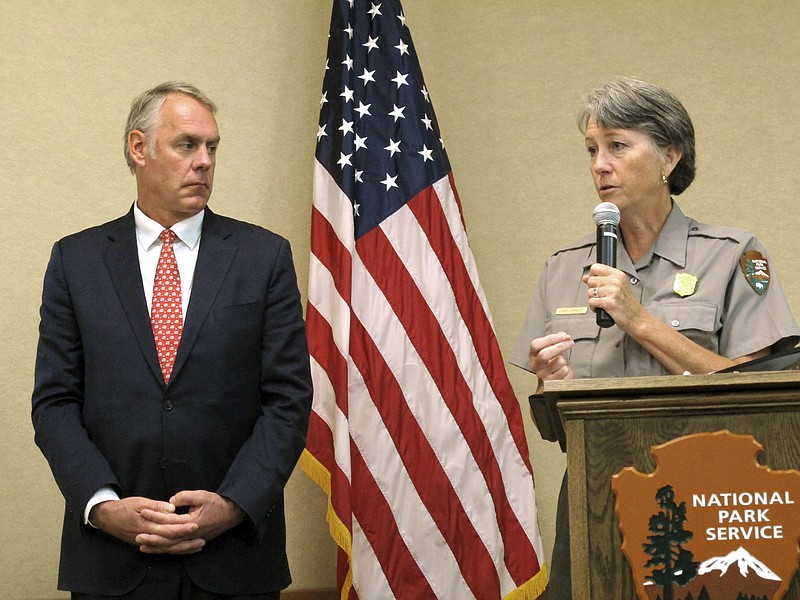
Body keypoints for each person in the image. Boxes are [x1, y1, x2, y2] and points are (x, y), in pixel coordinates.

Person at [510, 78, 800, 599]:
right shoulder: (563, 268)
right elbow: (555, 428)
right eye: (592, 150)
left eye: (618, 146)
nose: (600, 164)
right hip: (596, 494)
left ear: (669, 156)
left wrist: (639, 321)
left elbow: (759, 400)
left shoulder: (732, 255)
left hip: (710, 497)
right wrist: (554, 384)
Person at [31, 82, 313, 600]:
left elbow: (288, 401)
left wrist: (233, 504)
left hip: (234, 560)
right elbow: (54, 402)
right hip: (112, 561)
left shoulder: (263, 257)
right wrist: (101, 504)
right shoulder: (76, 261)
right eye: (187, 145)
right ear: (139, 149)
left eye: (212, 147)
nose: (204, 162)